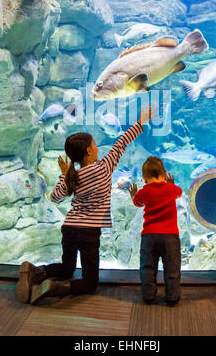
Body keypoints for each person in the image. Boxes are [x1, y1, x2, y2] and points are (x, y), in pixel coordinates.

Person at [16, 104, 157, 305]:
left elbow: (55, 198)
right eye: (95, 145)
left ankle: (36, 271)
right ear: (90, 151)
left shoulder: (72, 176)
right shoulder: (105, 167)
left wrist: (64, 174)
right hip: (89, 231)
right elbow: (122, 142)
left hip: (70, 227)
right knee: (90, 281)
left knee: (67, 268)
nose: (98, 147)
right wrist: (141, 121)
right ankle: (56, 288)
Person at [128, 156, 182, 306]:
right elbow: (179, 193)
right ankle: (172, 297)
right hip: (170, 236)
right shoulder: (171, 189)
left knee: (148, 268)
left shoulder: (144, 192)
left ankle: (149, 296)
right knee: (172, 267)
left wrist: (133, 195)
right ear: (164, 175)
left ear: (144, 179)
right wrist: (170, 185)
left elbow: (137, 203)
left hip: (149, 236)